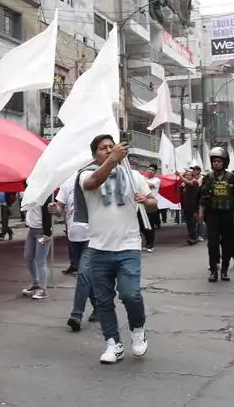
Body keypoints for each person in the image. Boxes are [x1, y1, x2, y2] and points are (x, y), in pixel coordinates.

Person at [74, 134, 155, 364]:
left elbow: (152, 202)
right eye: (103, 148)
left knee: (130, 294)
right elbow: (92, 183)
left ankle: (138, 330)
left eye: (112, 147)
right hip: (99, 248)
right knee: (103, 300)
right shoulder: (86, 174)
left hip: (128, 246)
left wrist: (145, 200)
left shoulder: (133, 175)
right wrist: (112, 160)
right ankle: (113, 343)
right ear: (94, 155)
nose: (109, 150)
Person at [50, 170, 98, 331]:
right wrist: (54, 208)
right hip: (73, 236)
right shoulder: (66, 182)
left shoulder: (92, 176)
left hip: (91, 235)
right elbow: (60, 208)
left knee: (83, 274)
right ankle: (99, 307)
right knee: (86, 276)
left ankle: (76, 315)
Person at [199, 147, 234, 283]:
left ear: (224, 162)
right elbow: (202, 196)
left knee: (227, 243)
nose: (216, 163)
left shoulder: (233, 178)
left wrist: (229, 203)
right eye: (214, 161)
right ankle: (213, 271)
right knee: (212, 243)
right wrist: (202, 211)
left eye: (219, 161)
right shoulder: (207, 178)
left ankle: (224, 270)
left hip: (227, 216)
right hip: (212, 215)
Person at [21, 191, 54, 300]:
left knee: (41, 260)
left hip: (41, 230)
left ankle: (43, 289)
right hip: (32, 229)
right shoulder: (30, 191)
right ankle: (36, 282)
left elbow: (47, 213)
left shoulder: (45, 193)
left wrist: (47, 233)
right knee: (28, 256)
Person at [180, 167, 202, 245]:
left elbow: (190, 183)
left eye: (189, 175)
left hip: (194, 206)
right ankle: (191, 237)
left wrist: (180, 176)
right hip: (186, 206)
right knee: (189, 223)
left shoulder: (194, 181)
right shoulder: (183, 185)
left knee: (193, 222)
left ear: (192, 176)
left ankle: (194, 238)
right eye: (186, 175)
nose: (187, 176)